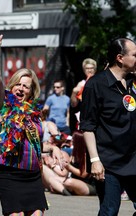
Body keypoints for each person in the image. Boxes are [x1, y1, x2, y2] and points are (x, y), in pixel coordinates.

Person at [0, 29, 64, 216]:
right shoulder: (3, 106)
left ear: (31, 92)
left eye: (26, 86)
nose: (21, 89)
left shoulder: (34, 114)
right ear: (11, 85)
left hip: (32, 175)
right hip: (10, 173)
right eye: (18, 84)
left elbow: (34, 144)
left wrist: (53, 148)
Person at [80, 38, 136, 215]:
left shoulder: (133, 82)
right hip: (109, 162)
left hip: (133, 159)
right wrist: (95, 161)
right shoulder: (96, 84)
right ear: (120, 57)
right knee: (109, 210)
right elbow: (88, 126)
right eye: (135, 55)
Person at [63, 131, 96, 196]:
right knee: (55, 178)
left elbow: (83, 174)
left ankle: (64, 190)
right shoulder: (73, 154)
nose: (71, 141)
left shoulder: (86, 155)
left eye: (73, 140)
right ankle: (65, 190)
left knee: (68, 182)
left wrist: (69, 167)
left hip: (87, 184)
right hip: (75, 181)